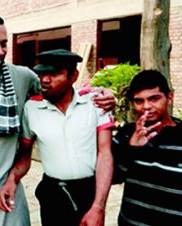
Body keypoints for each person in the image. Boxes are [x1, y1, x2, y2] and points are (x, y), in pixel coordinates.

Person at [0, 12, 115, 226]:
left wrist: (101, 93)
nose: (0, 51)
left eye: (4, 44)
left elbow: (59, 93)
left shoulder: (22, 77)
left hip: (5, 190)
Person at [21, 49, 114, 226]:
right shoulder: (31, 108)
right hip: (52, 194)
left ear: (73, 76)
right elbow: (24, 154)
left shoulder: (95, 102)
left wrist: (98, 206)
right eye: (41, 74)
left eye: (54, 74)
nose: (45, 80)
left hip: (89, 192)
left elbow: (105, 153)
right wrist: (12, 180)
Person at [112, 70, 182, 225]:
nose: (146, 107)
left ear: (169, 97)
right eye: (139, 101)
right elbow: (112, 178)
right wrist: (132, 148)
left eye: (154, 99)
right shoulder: (126, 134)